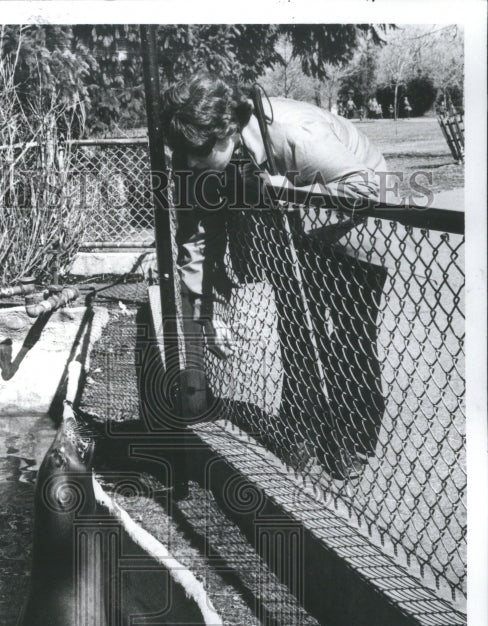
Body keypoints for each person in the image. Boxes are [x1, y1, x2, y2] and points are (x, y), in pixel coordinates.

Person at [161, 72, 390, 478]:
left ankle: (350, 439)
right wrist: (206, 313)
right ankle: (301, 427)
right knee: (296, 328)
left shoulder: (292, 133)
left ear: (227, 130)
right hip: (288, 226)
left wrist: (292, 192)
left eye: (197, 152)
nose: (190, 162)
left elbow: (367, 187)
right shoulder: (193, 154)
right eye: (183, 153)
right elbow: (195, 236)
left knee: (349, 336)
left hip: (354, 221)